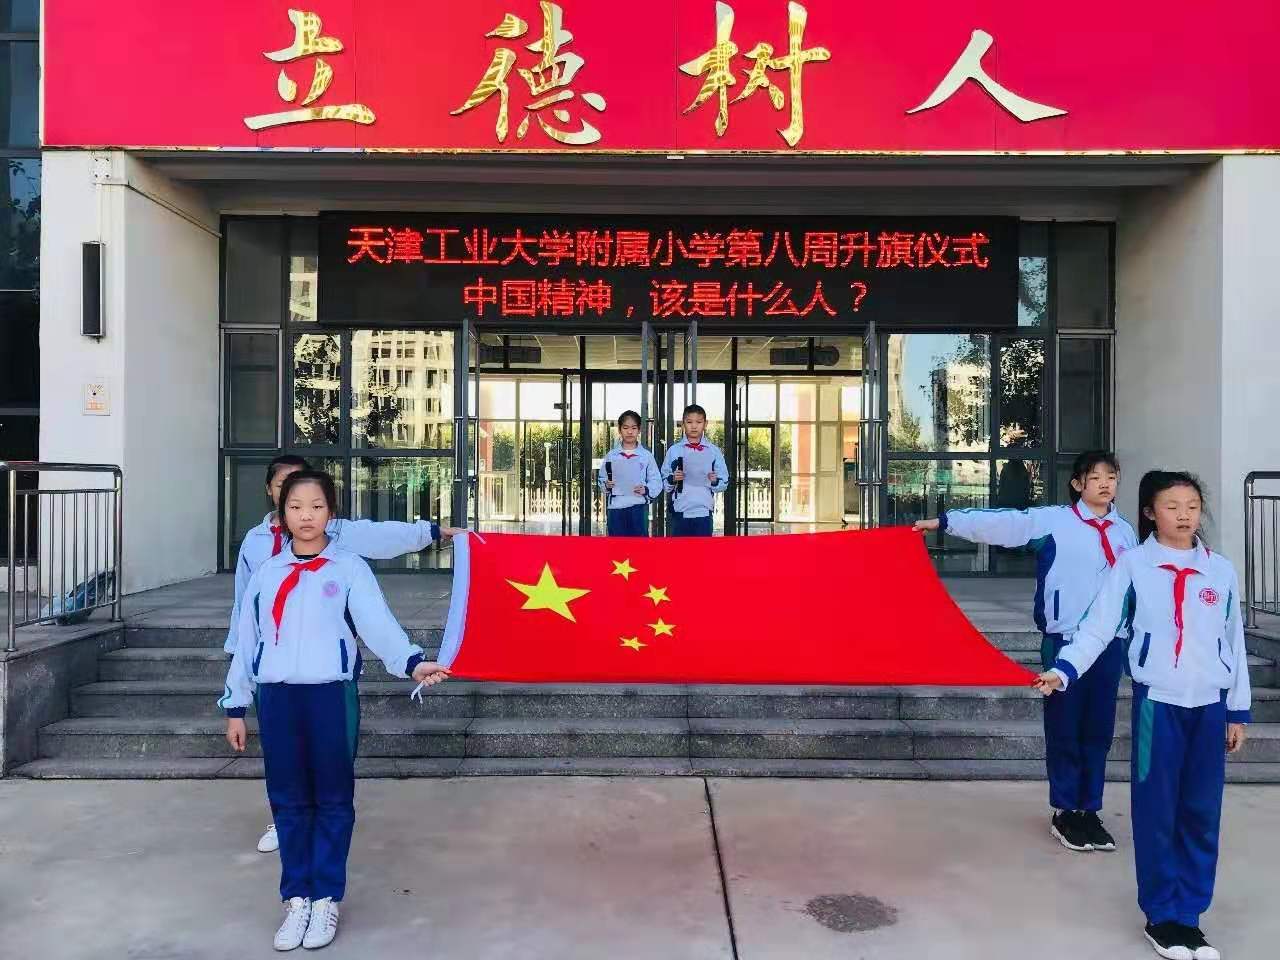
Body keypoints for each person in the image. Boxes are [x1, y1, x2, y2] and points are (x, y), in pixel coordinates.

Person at [220, 470, 452, 952]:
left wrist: (412, 663)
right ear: (282, 514)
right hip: (277, 699)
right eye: (296, 507)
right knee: (287, 799)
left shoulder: (348, 568)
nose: (306, 516)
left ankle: (325, 896)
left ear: (331, 512)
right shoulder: (267, 573)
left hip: (330, 697)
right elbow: (247, 642)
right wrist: (236, 705)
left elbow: (377, 624)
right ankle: (296, 898)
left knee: (331, 798)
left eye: (317, 506)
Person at [1035, 472, 1249, 960]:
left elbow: (1233, 641)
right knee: (1157, 812)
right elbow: (1098, 628)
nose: (1184, 515)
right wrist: (1063, 670)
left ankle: (1190, 917)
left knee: (1201, 814)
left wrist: (1237, 709)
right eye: (1172, 506)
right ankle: (1162, 916)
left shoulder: (1220, 571)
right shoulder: (1133, 566)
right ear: (1151, 513)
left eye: (1192, 506)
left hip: (1210, 708)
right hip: (1160, 706)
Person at [914, 451, 1137, 852]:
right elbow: (1004, 523)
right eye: (1095, 477)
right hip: (1065, 640)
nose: (1105, 484)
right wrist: (946, 522)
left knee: (1098, 731)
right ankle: (1065, 811)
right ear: (1078, 484)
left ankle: (1089, 809)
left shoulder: (1125, 532)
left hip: (1109, 645)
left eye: (1111, 477)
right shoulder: (1054, 521)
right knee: (1066, 728)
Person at [661, 404, 728, 537]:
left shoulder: (713, 451)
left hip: (704, 511)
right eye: (689, 422)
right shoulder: (674, 451)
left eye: (698, 422)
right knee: (679, 549)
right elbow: (664, 483)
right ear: (683, 424)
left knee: (702, 550)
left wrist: (715, 481)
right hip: (680, 511)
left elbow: (724, 483)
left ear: (705, 424)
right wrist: (673, 478)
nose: (694, 426)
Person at [599, 410, 662, 537]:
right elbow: (602, 478)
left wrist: (646, 489)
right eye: (625, 428)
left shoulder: (646, 456)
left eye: (633, 428)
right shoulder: (611, 456)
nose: (629, 432)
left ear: (639, 430)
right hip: (616, 508)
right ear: (619, 430)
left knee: (639, 547)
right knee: (616, 547)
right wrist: (606, 484)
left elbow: (656, 481)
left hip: (638, 508)